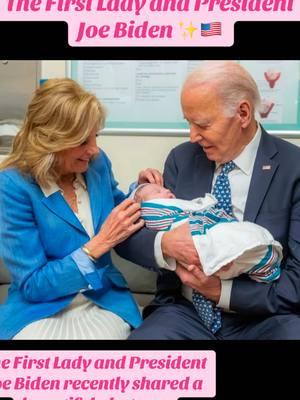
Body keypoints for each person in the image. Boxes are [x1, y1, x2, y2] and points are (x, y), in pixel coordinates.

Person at [116, 61, 300, 340]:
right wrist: (165, 244)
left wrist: (221, 291)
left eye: (202, 124)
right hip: (185, 312)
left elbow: (297, 280)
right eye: (188, 122)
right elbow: (127, 238)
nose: (192, 135)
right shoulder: (182, 159)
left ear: (243, 113)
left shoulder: (293, 167)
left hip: (264, 316)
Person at [0, 78, 162, 340]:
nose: (94, 149)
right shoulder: (13, 185)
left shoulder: (96, 165)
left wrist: (141, 191)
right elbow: (32, 284)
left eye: (95, 136)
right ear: (49, 140)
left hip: (103, 299)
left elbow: (119, 208)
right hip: (39, 309)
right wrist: (97, 246)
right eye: (81, 141)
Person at [133, 182, 282, 281]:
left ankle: (258, 254)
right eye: (158, 191)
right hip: (183, 302)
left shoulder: (291, 165)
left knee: (242, 235)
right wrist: (164, 243)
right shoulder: (153, 209)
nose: (166, 190)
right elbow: (128, 218)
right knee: (228, 242)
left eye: (164, 189)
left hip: (248, 298)